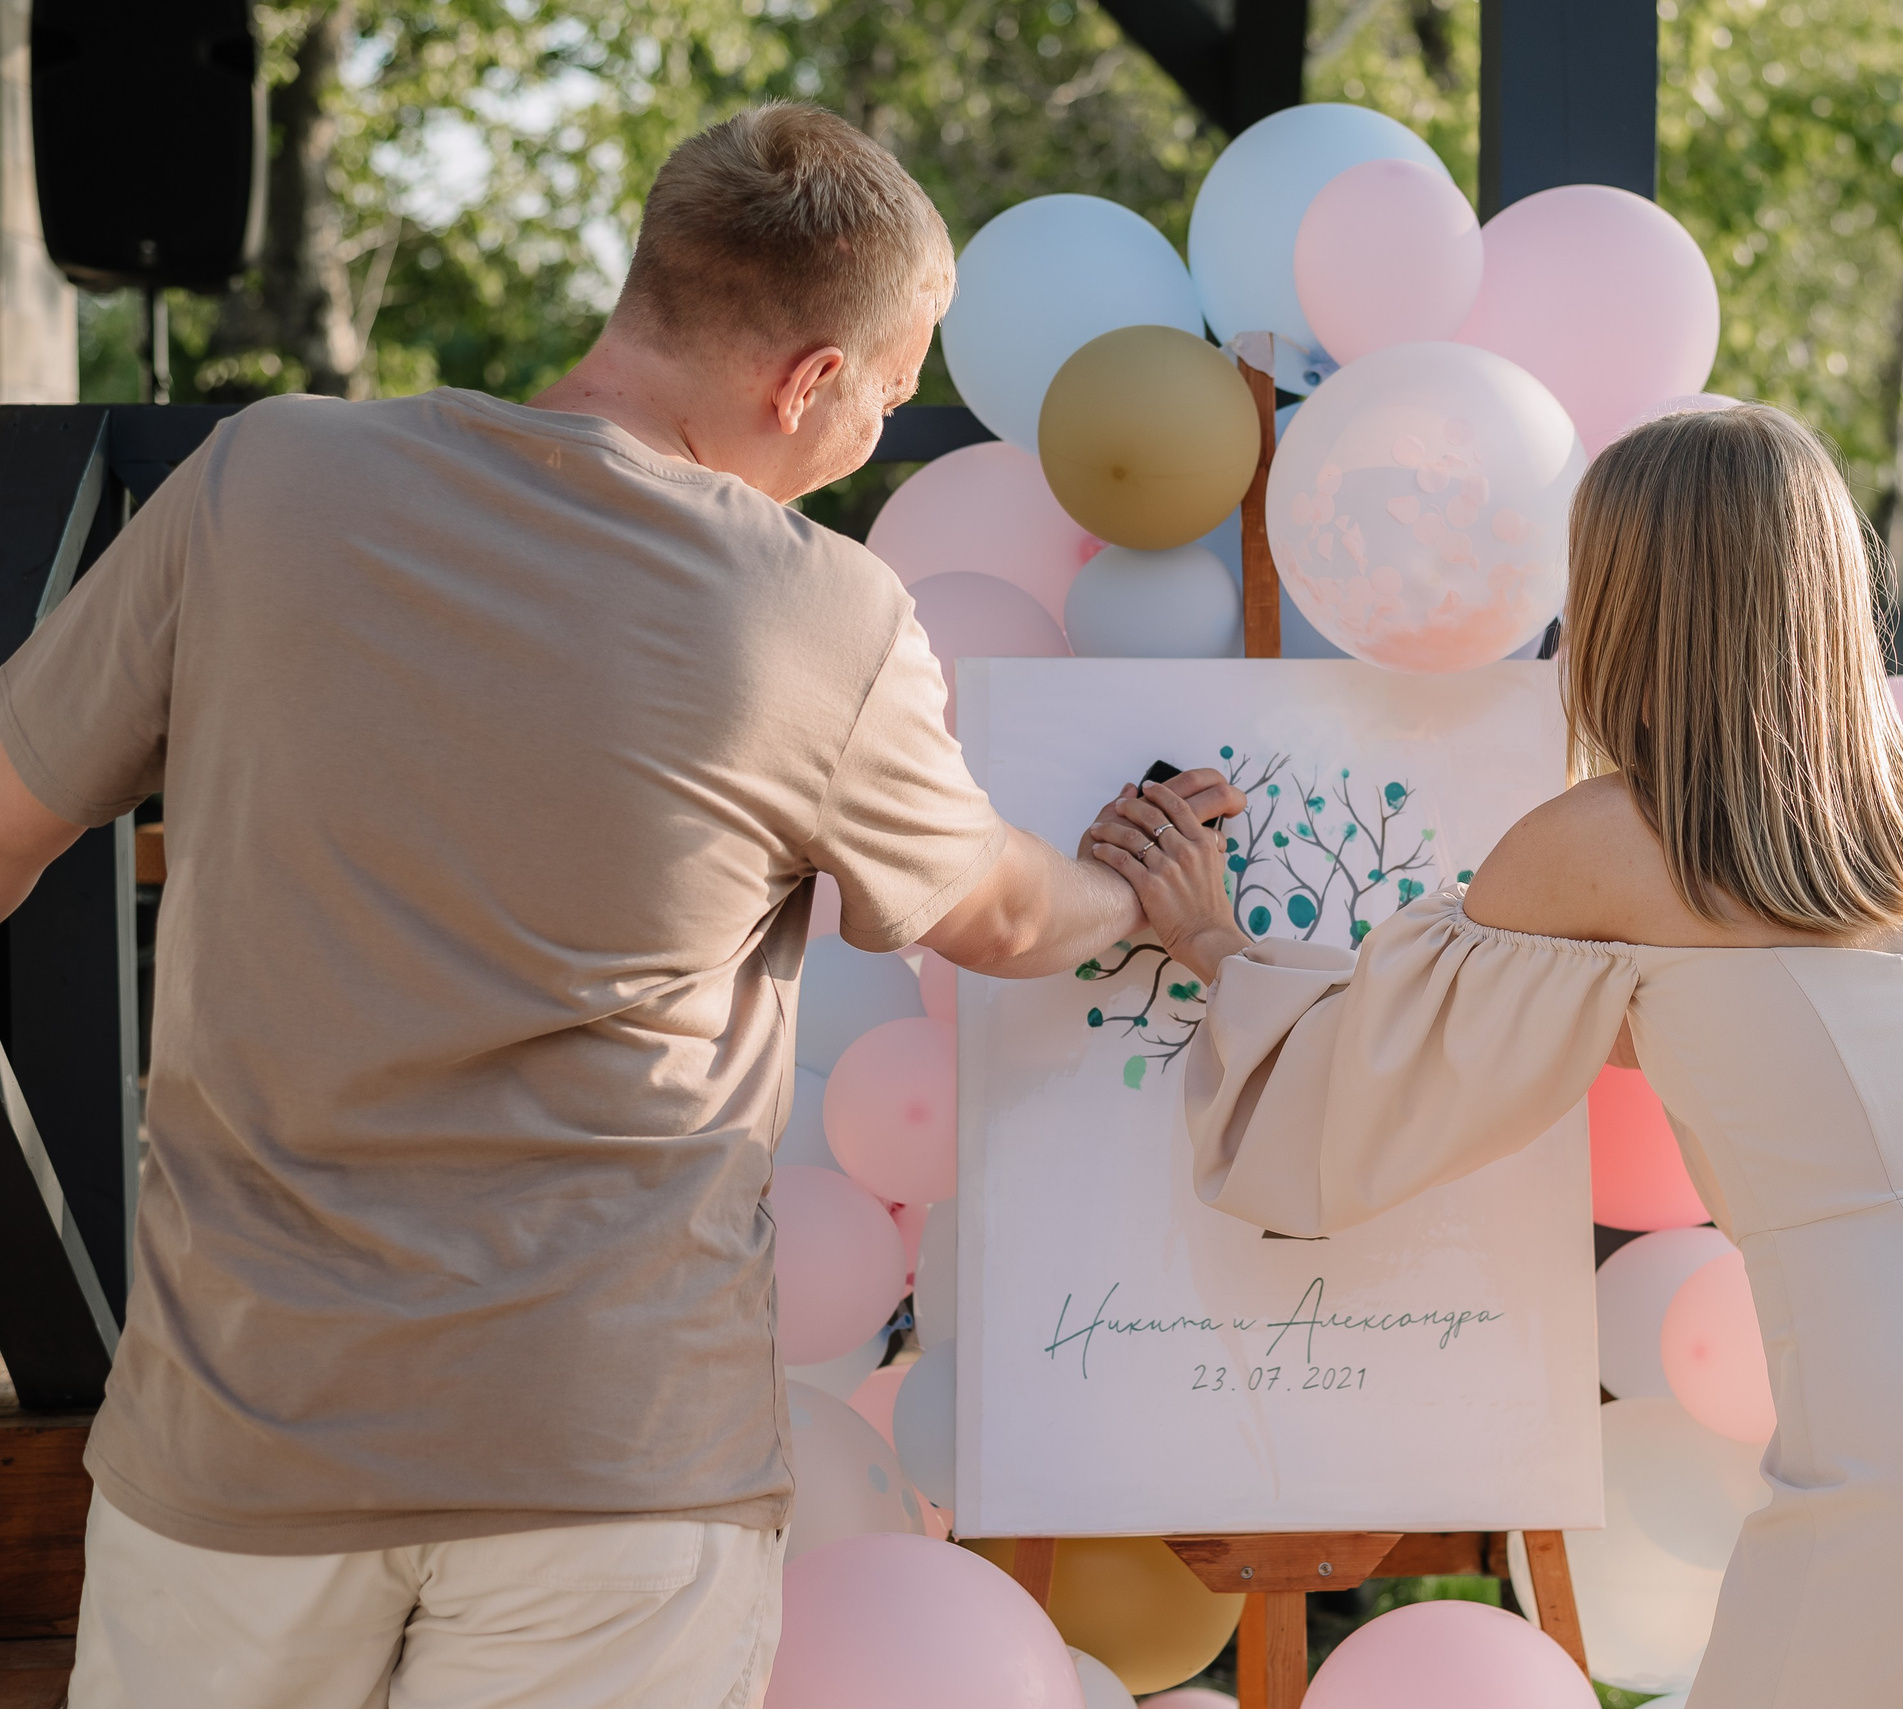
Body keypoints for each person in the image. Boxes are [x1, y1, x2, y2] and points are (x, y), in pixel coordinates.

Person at [0, 104, 1238, 1709]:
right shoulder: (820, 610)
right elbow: (999, 915)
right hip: (612, 1469)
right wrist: (1125, 884)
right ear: (810, 380)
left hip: (236, 1438)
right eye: (892, 381)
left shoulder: (265, 480)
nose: (885, 421)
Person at [1087, 404, 1903, 1707]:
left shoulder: (1606, 846)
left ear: (1624, 594)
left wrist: (1218, 938)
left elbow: (1350, 1096)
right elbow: (1757, 1032)